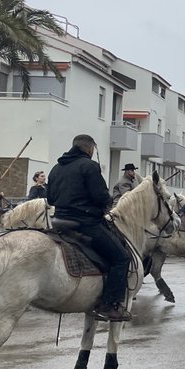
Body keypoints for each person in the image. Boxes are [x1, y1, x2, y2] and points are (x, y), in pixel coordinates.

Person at [46, 134, 134, 322]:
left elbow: (51, 198)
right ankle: (109, 305)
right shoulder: (89, 166)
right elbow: (101, 196)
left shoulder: (56, 168)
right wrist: (105, 204)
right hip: (84, 223)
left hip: (59, 221)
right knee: (121, 258)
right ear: (89, 149)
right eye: (93, 149)